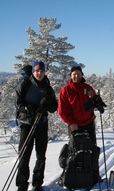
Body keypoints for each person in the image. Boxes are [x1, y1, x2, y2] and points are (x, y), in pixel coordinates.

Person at [57, 65, 106, 186]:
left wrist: (97, 102)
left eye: (78, 73)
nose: (76, 75)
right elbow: (62, 111)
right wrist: (71, 123)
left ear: (81, 75)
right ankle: (73, 175)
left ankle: (94, 175)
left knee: (92, 150)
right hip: (74, 126)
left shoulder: (87, 88)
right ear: (70, 75)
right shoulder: (65, 90)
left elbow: (94, 100)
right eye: (74, 73)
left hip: (89, 123)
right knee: (74, 151)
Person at [15, 61, 57, 191]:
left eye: (41, 71)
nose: (39, 73)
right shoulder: (25, 83)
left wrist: (47, 104)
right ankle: (22, 185)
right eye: (37, 70)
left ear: (44, 72)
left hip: (41, 124)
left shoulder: (47, 87)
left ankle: (37, 183)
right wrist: (28, 108)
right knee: (24, 155)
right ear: (33, 71)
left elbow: (54, 107)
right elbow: (18, 103)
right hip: (27, 124)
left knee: (41, 155)